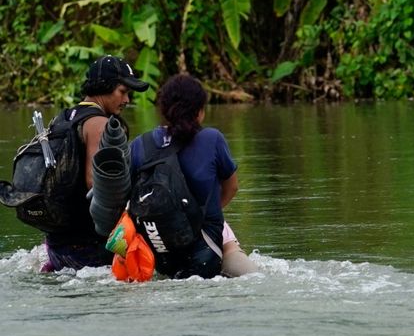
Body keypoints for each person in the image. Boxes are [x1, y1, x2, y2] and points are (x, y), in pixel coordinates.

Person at [128, 74, 256, 278]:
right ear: (200, 111)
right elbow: (232, 188)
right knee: (249, 271)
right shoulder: (212, 139)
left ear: (163, 109)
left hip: (161, 257)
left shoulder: (140, 145)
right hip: (206, 254)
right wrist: (199, 215)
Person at [43, 56, 149, 270]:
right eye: (123, 91)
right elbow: (96, 183)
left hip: (56, 241)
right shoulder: (99, 123)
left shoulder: (64, 117)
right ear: (104, 87)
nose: (127, 100)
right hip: (86, 245)